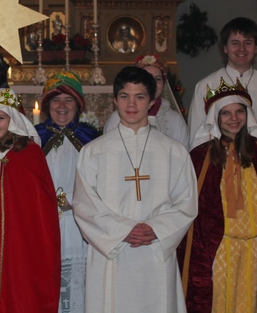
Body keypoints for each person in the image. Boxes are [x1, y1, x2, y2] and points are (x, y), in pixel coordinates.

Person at [73, 66, 197, 312]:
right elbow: (84, 205)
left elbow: (187, 201)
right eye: (124, 96)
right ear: (115, 100)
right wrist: (123, 231)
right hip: (112, 251)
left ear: (151, 101)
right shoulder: (94, 151)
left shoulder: (173, 151)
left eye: (139, 97)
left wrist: (156, 229)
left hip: (155, 251)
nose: (131, 104)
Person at [179, 78, 257, 313]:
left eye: (239, 112)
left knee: (249, 299)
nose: (233, 119)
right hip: (219, 247)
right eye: (226, 113)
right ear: (215, 118)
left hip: (253, 246)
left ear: (248, 114)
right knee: (218, 301)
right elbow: (197, 210)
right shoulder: (200, 157)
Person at [188, 17, 257, 211]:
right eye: (235, 43)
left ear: (256, 48)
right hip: (218, 175)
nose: (242, 49)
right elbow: (197, 138)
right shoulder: (206, 86)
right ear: (224, 48)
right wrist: (199, 182)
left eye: (248, 43)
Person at [0, 87, 61, 313]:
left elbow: (41, 210)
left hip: (17, 243)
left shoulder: (28, 154)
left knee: (17, 296)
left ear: (14, 120)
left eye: (0, 117)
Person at [35, 71, 99, 313]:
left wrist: (74, 201)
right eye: (56, 100)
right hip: (45, 222)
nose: (62, 106)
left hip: (79, 225)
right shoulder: (34, 139)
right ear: (47, 105)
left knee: (78, 286)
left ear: (78, 105)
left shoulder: (90, 139)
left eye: (68, 100)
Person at [104, 55, 189, 147]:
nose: (153, 84)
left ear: (164, 83)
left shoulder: (175, 120)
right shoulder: (116, 118)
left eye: (158, 79)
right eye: (147, 78)